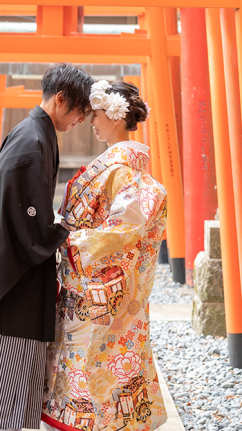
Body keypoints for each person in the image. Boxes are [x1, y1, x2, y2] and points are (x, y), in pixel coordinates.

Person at [0, 64, 96, 431]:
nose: (80, 120)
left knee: (0, 387)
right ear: (61, 99)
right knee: (0, 386)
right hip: (7, 283)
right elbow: (23, 216)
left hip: (2, 267)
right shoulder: (31, 141)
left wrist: (50, 229)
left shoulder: (33, 135)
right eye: (79, 112)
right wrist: (57, 233)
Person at [42, 81, 168, 431]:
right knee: (93, 362)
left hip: (99, 286)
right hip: (90, 282)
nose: (91, 121)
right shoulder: (118, 165)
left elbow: (124, 229)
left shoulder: (123, 168)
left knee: (99, 363)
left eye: (95, 115)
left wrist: (70, 240)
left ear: (115, 116)